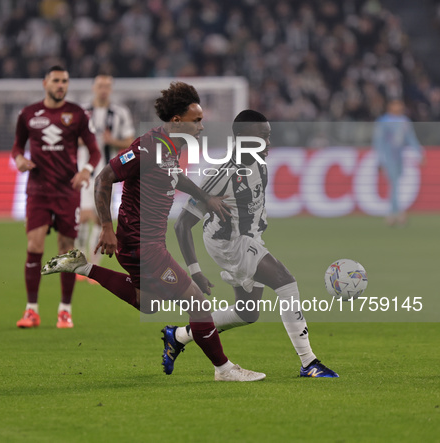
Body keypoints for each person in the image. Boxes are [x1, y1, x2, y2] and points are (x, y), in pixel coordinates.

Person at [42, 82, 267, 382]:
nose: (201, 125)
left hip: (143, 244)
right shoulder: (146, 147)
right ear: (177, 121)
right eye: (196, 119)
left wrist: (205, 198)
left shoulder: (172, 147)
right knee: (197, 302)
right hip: (142, 245)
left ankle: (83, 267)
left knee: (146, 302)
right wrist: (107, 228)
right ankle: (224, 369)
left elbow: (174, 176)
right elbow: (104, 178)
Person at [161, 109, 338, 378]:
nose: (269, 144)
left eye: (269, 137)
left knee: (247, 313)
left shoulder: (259, 164)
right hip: (229, 243)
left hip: (248, 239)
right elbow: (182, 224)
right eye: (263, 138)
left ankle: (180, 335)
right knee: (286, 282)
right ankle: (309, 362)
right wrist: (195, 271)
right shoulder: (222, 175)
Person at [12, 66, 101, 329]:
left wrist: (86, 170)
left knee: (66, 250)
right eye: (56, 81)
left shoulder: (77, 114)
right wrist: (18, 158)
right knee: (34, 246)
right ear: (45, 83)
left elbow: (94, 151)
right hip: (38, 190)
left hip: (66, 191)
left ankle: (65, 310)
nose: (61, 85)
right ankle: (31, 311)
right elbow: (18, 145)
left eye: (65, 81)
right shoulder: (28, 114)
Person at [76, 75, 135, 275]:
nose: (103, 89)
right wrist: (82, 141)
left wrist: (112, 140)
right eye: (100, 85)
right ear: (94, 87)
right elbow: (69, 138)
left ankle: (95, 264)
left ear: (111, 89)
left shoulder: (120, 113)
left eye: (107, 86)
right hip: (84, 169)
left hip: (109, 173)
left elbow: (129, 140)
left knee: (100, 218)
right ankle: (80, 258)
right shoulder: (82, 112)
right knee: (83, 217)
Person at [373, 99, 425, 226]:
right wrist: (379, 159)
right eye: (396, 104)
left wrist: (420, 153)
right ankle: (395, 213)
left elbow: (411, 138)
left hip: (399, 156)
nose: (400, 106)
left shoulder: (404, 121)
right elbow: (378, 142)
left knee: (395, 184)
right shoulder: (383, 121)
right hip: (388, 156)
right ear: (390, 106)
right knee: (394, 183)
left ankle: (393, 213)